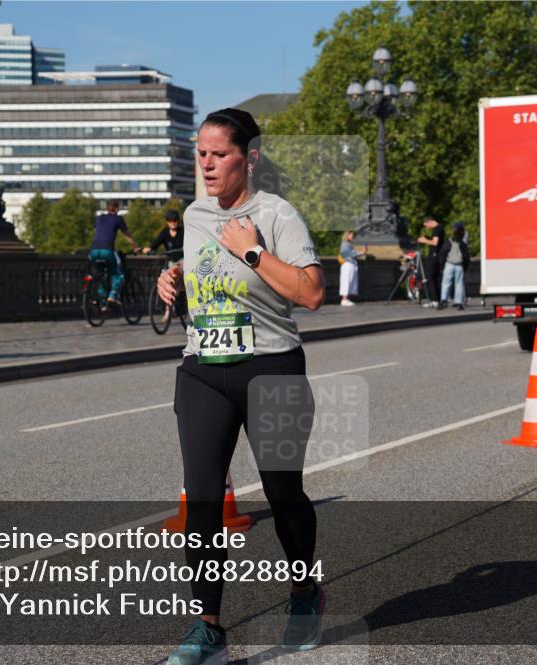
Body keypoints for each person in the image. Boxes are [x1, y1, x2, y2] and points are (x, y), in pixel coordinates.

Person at [156, 107, 326, 665]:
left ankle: (304, 595)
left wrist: (253, 251)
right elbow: (207, 276)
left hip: (271, 369)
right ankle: (208, 628)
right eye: (200, 153)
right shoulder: (194, 214)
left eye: (219, 154)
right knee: (202, 499)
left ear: (247, 157)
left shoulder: (277, 215)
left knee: (283, 494)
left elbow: (311, 293)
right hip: (203, 371)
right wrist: (173, 279)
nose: (207, 164)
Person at [91, 199, 140, 304]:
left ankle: (102, 299)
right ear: (117, 209)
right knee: (118, 273)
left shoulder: (99, 218)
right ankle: (113, 295)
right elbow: (128, 236)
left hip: (93, 251)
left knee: (101, 274)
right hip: (107, 250)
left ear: (107, 208)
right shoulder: (118, 219)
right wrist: (135, 248)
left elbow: (97, 233)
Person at [439, 221, 471, 310]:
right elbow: (466, 257)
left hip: (449, 264)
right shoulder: (463, 244)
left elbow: (442, 253)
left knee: (446, 283)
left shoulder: (449, 241)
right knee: (459, 284)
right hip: (459, 265)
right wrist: (465, 267)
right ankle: (458, 302)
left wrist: (441, 266)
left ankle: (444, 300)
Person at [417, 216, 444, 308]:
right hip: (437, 256)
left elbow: (435, 243)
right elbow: (435, 240)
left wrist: (424, 240)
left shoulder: (437, 229)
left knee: (430, 277)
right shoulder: (439, 228)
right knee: (435, 278)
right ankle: (437, 299)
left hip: (434, 256)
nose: (427, 228)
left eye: (426, 225)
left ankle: (434, 300)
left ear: (429, 222)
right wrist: (428, 238)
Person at [338, 229, 366, 306]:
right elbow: (352, 254)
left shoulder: (347, 244)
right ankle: (344, 299)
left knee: (349, 281)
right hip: (348, 264)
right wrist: (362, 252)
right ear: (347, 235)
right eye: (352, 235)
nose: (353, 236)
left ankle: (346, 298)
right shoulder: (345, 245)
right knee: (346, 281)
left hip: (350, 264)